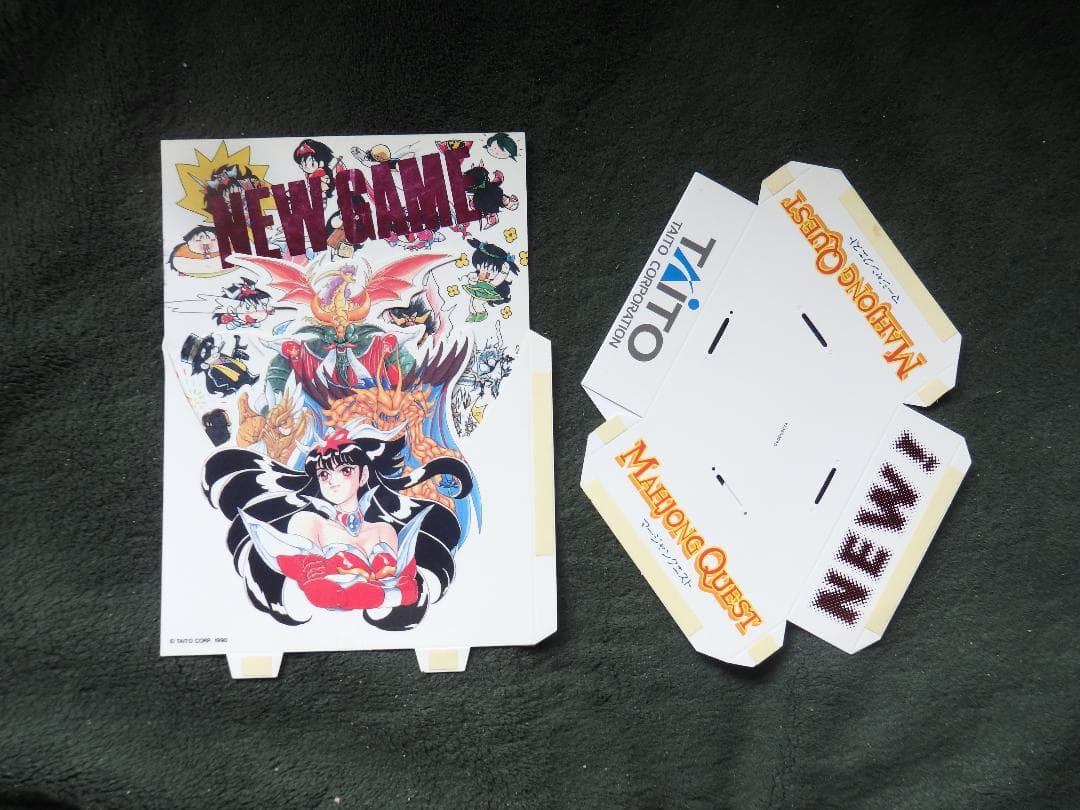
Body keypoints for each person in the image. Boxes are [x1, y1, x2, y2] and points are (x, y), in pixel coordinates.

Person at [202, 425, 473, 630]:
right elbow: (320, 594)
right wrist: (383, 592)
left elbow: (410, 591)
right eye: (324, 474)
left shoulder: (384, 530)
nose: (332, 480)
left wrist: (363, 591)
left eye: (344, 471)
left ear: (362, 475)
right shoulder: (308, 522)